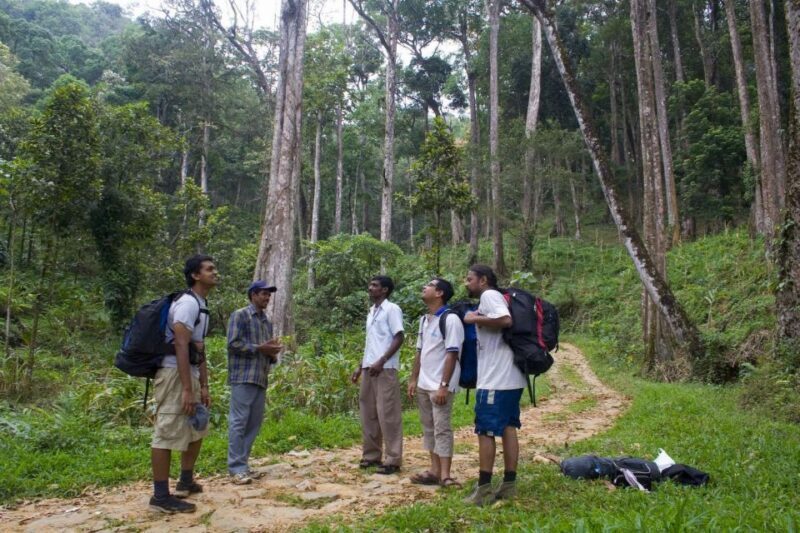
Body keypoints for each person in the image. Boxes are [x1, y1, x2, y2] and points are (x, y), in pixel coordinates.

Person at [149, 255, 218, 514]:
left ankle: (186, 480)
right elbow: (180, 343)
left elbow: (198, 347)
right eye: (209, 269)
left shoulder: (202, 304)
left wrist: (204, 385)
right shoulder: (188, 303)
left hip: (189, 373)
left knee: (197, 425)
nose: (215, 272)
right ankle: (160, 497)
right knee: (167, 430)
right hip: (173, 374)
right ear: (195, 275)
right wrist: (187, 388)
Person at [462, 264, 527, 506]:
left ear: (483, 280)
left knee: (485, 430)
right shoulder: (495, 296)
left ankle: (484, 489)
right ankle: (509, 484)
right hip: (511, 377)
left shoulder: (489, 295)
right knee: (509, 427)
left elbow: (505, 320)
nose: (466, 283)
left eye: (470, 279)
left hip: (496, 380)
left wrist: (472, 317)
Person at [408, 278, 464, 488]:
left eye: (429, 285)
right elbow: (420, 351)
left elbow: (452, 353)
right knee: (429, 427)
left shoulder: (450, 320)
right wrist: (414, 378)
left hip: (440, 385)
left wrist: (443, 385)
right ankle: (434, 470)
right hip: (424, 383)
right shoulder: (425, 319)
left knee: (442, 428)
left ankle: (446, 475)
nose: (424, 287)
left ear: (439, 293)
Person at [226, 280, 283, 485]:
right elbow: (233, 344)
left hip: (260, 377)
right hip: (243, 376)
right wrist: (261, 348)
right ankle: (235, 468)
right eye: (263, 294)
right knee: (239, 421)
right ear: (253, 295)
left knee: (253, 423)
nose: (267, 298)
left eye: (269, 295)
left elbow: (265, 350)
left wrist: (272, 354)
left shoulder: (266, 322)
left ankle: (243, 465)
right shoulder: (240, 315)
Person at [350, 275, 405, 474]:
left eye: (374, 285)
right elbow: (370, 342)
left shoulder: (392, 309)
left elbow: (399, 337)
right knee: (369, 413)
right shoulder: (371, 312)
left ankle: (393, 459)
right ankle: (371, 455)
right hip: (369, 368)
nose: (370, 288)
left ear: (385, 290)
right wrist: (360, 365)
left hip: (385, 368)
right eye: (370, 284)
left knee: (388, 414)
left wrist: (382, 360)